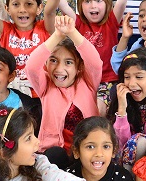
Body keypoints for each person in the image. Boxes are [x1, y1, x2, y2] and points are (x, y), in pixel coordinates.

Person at [43, 0, 136, 115]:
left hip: (107, 80)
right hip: (82, 79)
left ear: (107, 5)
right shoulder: (78, 23)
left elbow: (122, 0)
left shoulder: (111, 21)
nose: (93, 6)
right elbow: (64, 6)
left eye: (98, 1)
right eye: (87, 2)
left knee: (99, 110)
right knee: (79, 110)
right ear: (81, 6)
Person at [26, 16, 101, 167]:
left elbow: (95, 62)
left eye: (68, 62)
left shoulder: (88, 83)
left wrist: (72, 32)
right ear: (46, 63)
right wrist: (57, 35)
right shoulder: (46, 85)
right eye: (53, 60)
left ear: (79, 67)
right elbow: (31, 66)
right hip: (55, 154)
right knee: (55, 154)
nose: (59, 69)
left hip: (86, 152)